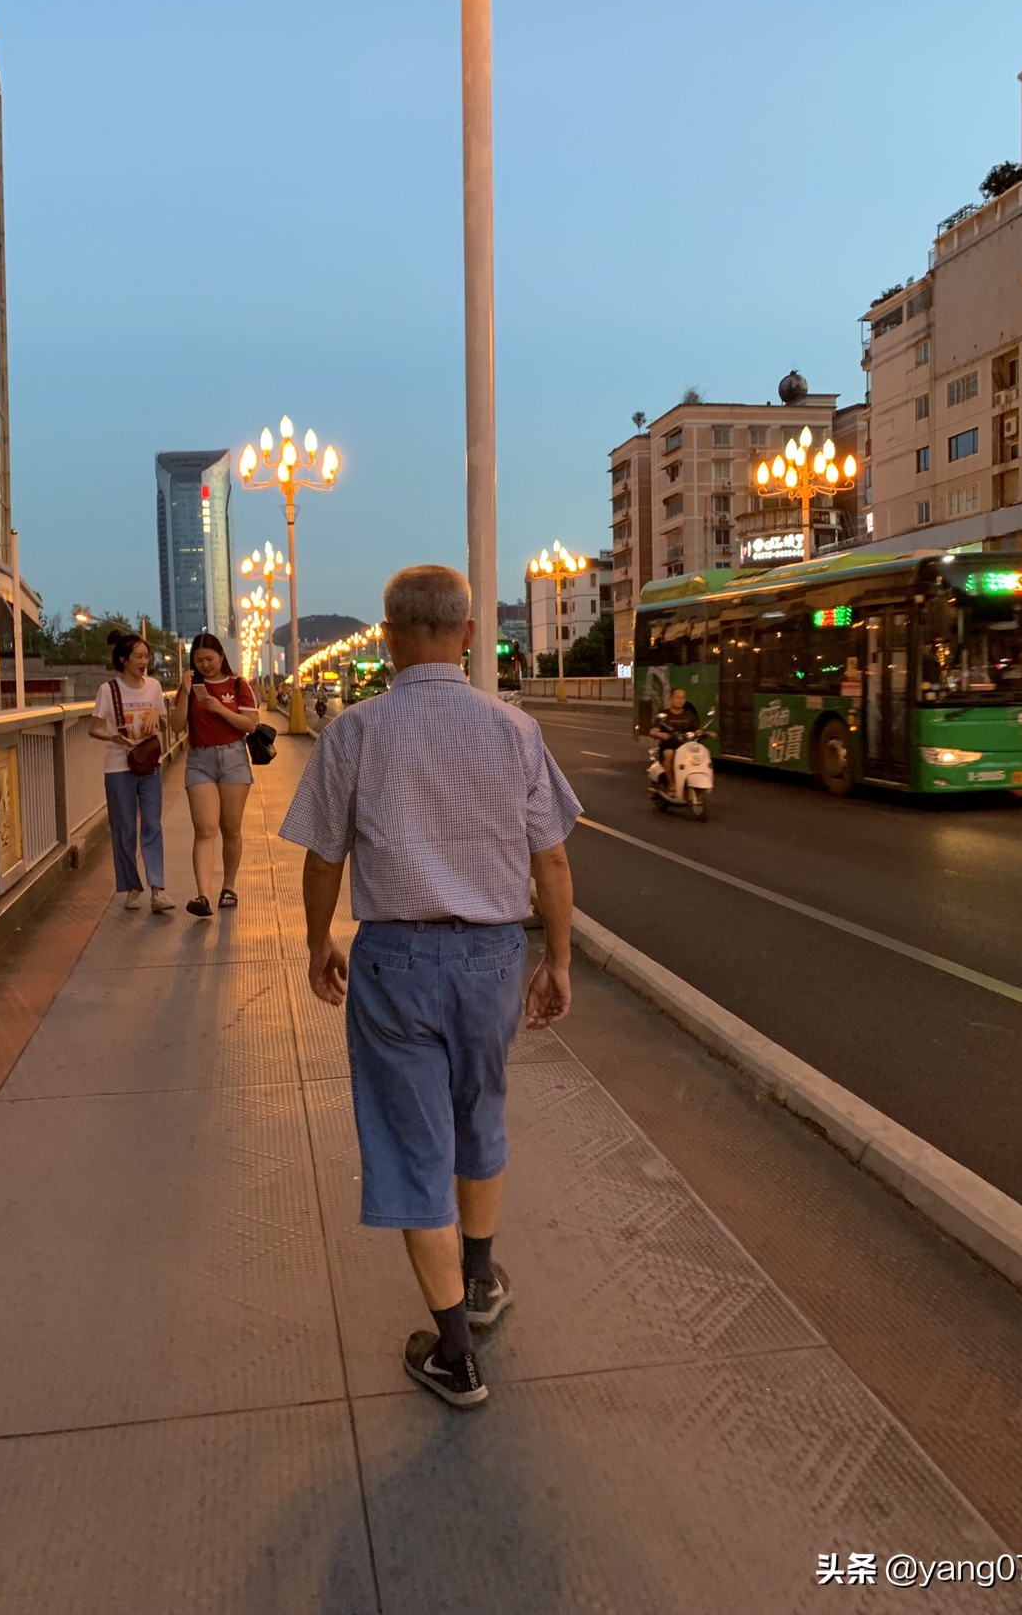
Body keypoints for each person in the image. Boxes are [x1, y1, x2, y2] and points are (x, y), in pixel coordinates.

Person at [280, 565, 581, 1411]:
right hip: (490, 959)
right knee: (480, 1115)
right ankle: (481, 1282)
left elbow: (323, 857)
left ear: (386, 636)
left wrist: (317, 943)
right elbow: (550, 858)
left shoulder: (356, 731)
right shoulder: (514, 729)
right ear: (471, 633)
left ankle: (454, 1353)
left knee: (415, 1147)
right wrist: (555, 959)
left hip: (396, 965)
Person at [170, 632, 260, 918]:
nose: (205, 665)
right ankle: (203, 895)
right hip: (200, 759)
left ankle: (229, 887)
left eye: (209, 659)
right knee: (204, 828)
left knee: (230, 828)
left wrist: (219, 708)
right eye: (199, 661)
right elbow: (174, 726)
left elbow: (250, 724)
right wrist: (184, 692)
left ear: (221, 656)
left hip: (233, 757)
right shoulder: (191, 686)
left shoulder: (238, 684)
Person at [88, 630, 175, 915]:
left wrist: (156, 717)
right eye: (138, 656)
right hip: (118, 767)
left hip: (149, 764)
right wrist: (114, 737)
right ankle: (131, 885)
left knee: (152, 824)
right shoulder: (108, 690)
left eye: (147, 656)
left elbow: (164, 723)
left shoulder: (153, 687)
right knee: (124, 829)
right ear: (124, 660)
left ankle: (157, 889)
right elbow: (94, 727)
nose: (144, 661)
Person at [650, 685, 700, 792]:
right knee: (669, 755)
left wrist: (704, 732)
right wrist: (660, 734)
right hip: (669, 745)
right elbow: (653, 731)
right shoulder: (664, 715)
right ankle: (671, 784)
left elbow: (697, 729)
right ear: (671, 698)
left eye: (682, 698)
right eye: (677, 697)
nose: (680, 700)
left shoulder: (689, 715)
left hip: (686, 746)